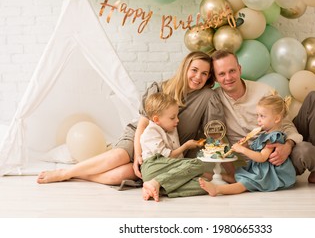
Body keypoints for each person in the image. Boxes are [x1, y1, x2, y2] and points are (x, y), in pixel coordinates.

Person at [37, 51, 225, 185]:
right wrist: (138, 155)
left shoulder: (208, 97)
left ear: (209, 77)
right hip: (140, 136)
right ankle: (64, 173)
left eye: (204, 73)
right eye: (194, 70)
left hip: (164, 150)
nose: (198, 77)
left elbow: (211, 134)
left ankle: (80, 174)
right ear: (185, 68)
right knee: (119, 156)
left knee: (118, 176)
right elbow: (143, 124)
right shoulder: (161, 88)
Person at [211, 50, 315, 189]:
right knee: (305, 150)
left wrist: (288, 145)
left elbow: (286, 124)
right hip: (263, 161)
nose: (228, 78)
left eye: (232, 71)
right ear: (216, 78)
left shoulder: (263, 90)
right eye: (221, 74)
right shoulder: (214, 100)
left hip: (282, 143)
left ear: (239, 69)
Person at [199, 91, 298, 196]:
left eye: (262, 116)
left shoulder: (274, 137)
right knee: (239, 175)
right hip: (260, 169)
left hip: (269, 174)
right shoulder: (265, 134)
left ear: (277, 118)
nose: (258, 120)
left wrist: (242, 150)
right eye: (258, 116)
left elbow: (262, 157)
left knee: (245, 183)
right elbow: (258, 153)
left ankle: (218, 189)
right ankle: (211, 176)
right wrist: (246, 146)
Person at [140, 92, 208, 201]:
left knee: (205, 184)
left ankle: (155, 188)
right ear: (156, 119)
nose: (177, 120)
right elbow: (168, 156)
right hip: (153, 167)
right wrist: (186, 146)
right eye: (172, 118)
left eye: (177, 116)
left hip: (167, 170)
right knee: (198, 163)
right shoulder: (151, 131)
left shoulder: (171, 129)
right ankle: (156, 182)